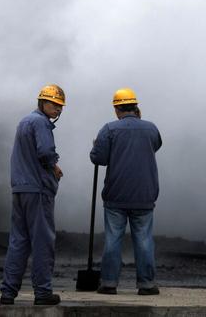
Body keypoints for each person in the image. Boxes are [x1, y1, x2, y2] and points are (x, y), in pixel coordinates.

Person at [90, 88, 162, 295]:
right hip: (144, 194)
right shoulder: (151, 129)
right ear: (136, 106)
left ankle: (109, 283)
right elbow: (154, 147)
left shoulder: (109, 129)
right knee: (144, 240)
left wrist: (96, 146)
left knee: (113, 239)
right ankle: (147, 285)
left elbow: (99, 159)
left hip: (116, 195)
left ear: (116, 108)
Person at [0, 84, 65, 306]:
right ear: (43, 103)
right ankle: (43, 292)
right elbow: (45, 151)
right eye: (54, 104)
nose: (57, 109)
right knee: (43, 242)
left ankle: (8, 294)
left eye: (60, 106)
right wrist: (54, 166)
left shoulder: (24, 121)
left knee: (18, 242)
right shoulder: (41, 123)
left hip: (20, 189)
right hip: (37, 190)